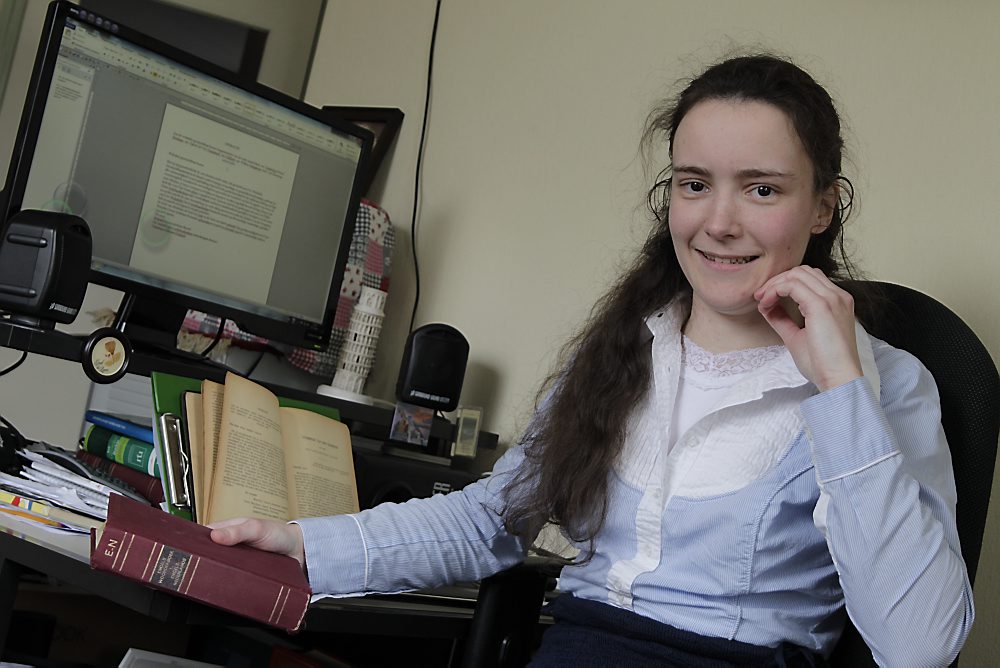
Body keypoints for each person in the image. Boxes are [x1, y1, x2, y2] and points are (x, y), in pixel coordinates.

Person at [210, 53, 973, 666]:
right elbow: (490, 521)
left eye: (762, 189)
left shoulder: (889, 384)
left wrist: (840, 390)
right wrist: (306, 542)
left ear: (823, 205)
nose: (718, 222)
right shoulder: (620, 351)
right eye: (695, 184)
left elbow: (919, 647)